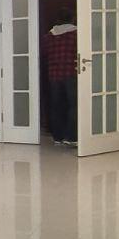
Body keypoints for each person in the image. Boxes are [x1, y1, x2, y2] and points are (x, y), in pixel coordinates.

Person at [41, 10, 78, 146]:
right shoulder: (76, 34)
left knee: (56, 106)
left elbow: (44, 53)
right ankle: (72, 137)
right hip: (71, 73)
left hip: (54, 74)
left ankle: (58, 136)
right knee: (73, 105)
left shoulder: (49, 36)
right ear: (72, 18)